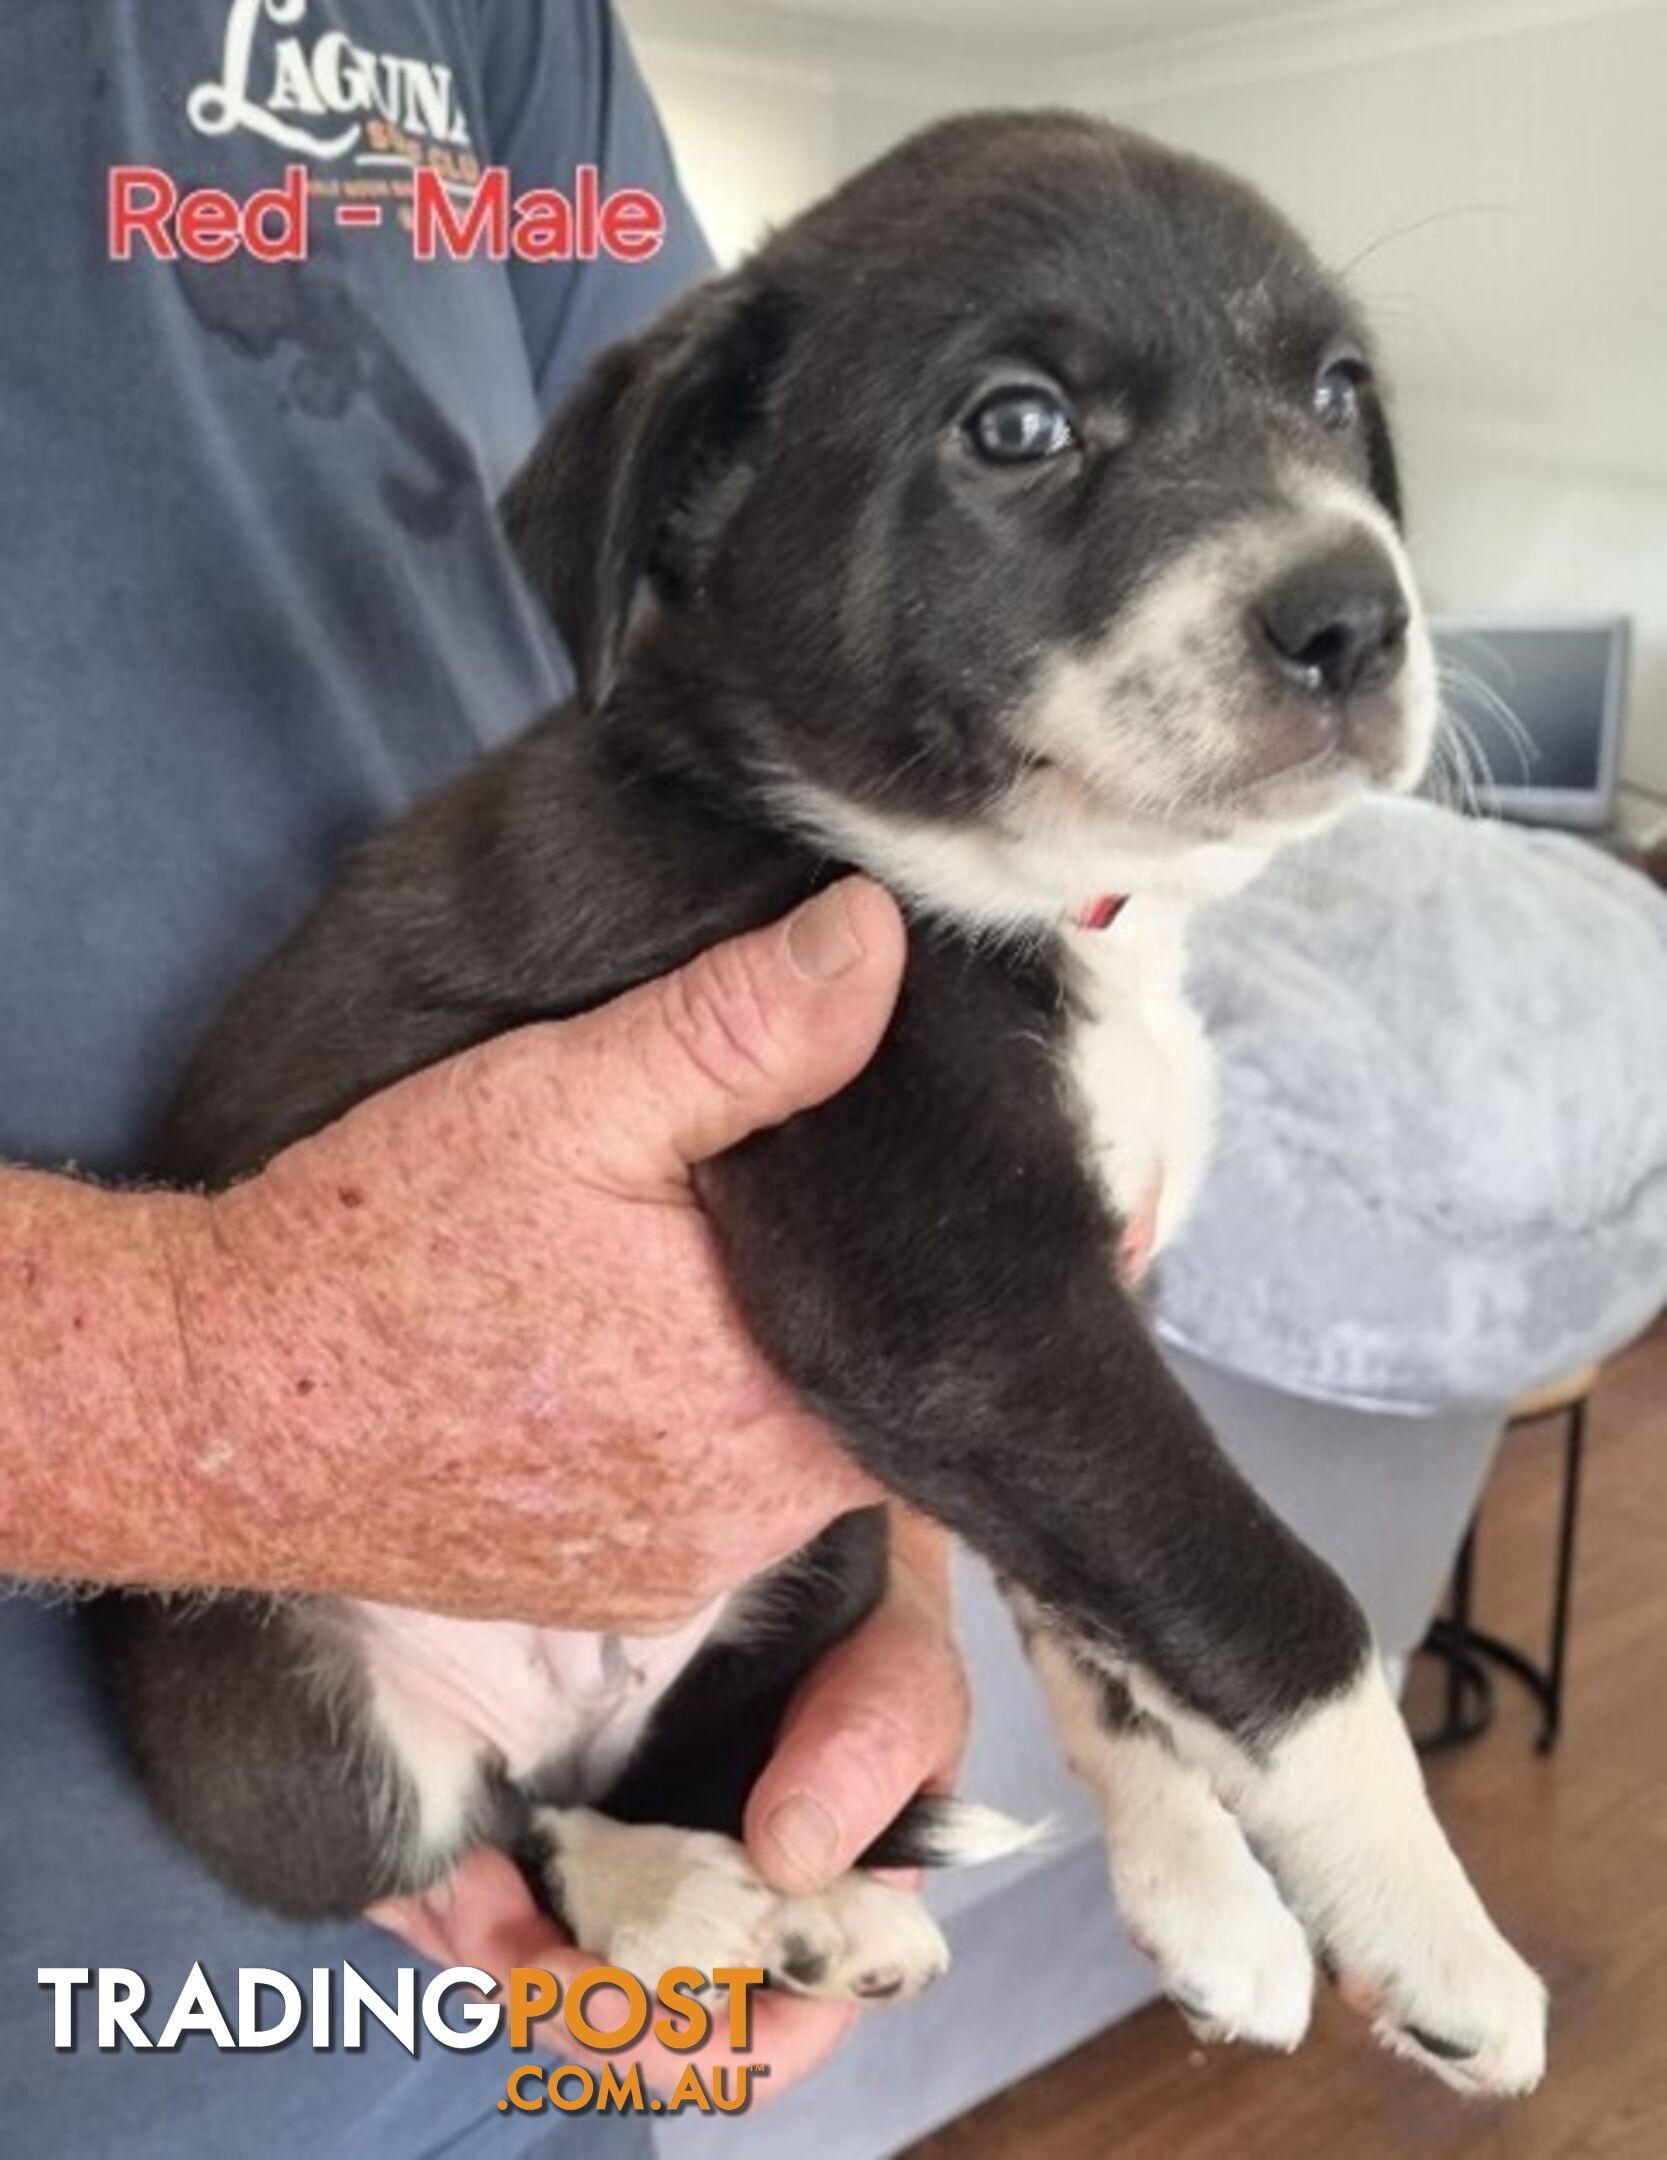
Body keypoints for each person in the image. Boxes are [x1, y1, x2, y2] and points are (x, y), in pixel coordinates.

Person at [0, 6, 966, 2152]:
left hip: (534, 2047)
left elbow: (749, 649)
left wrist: (887, 1525)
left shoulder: (502, 26)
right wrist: (203, 1389)